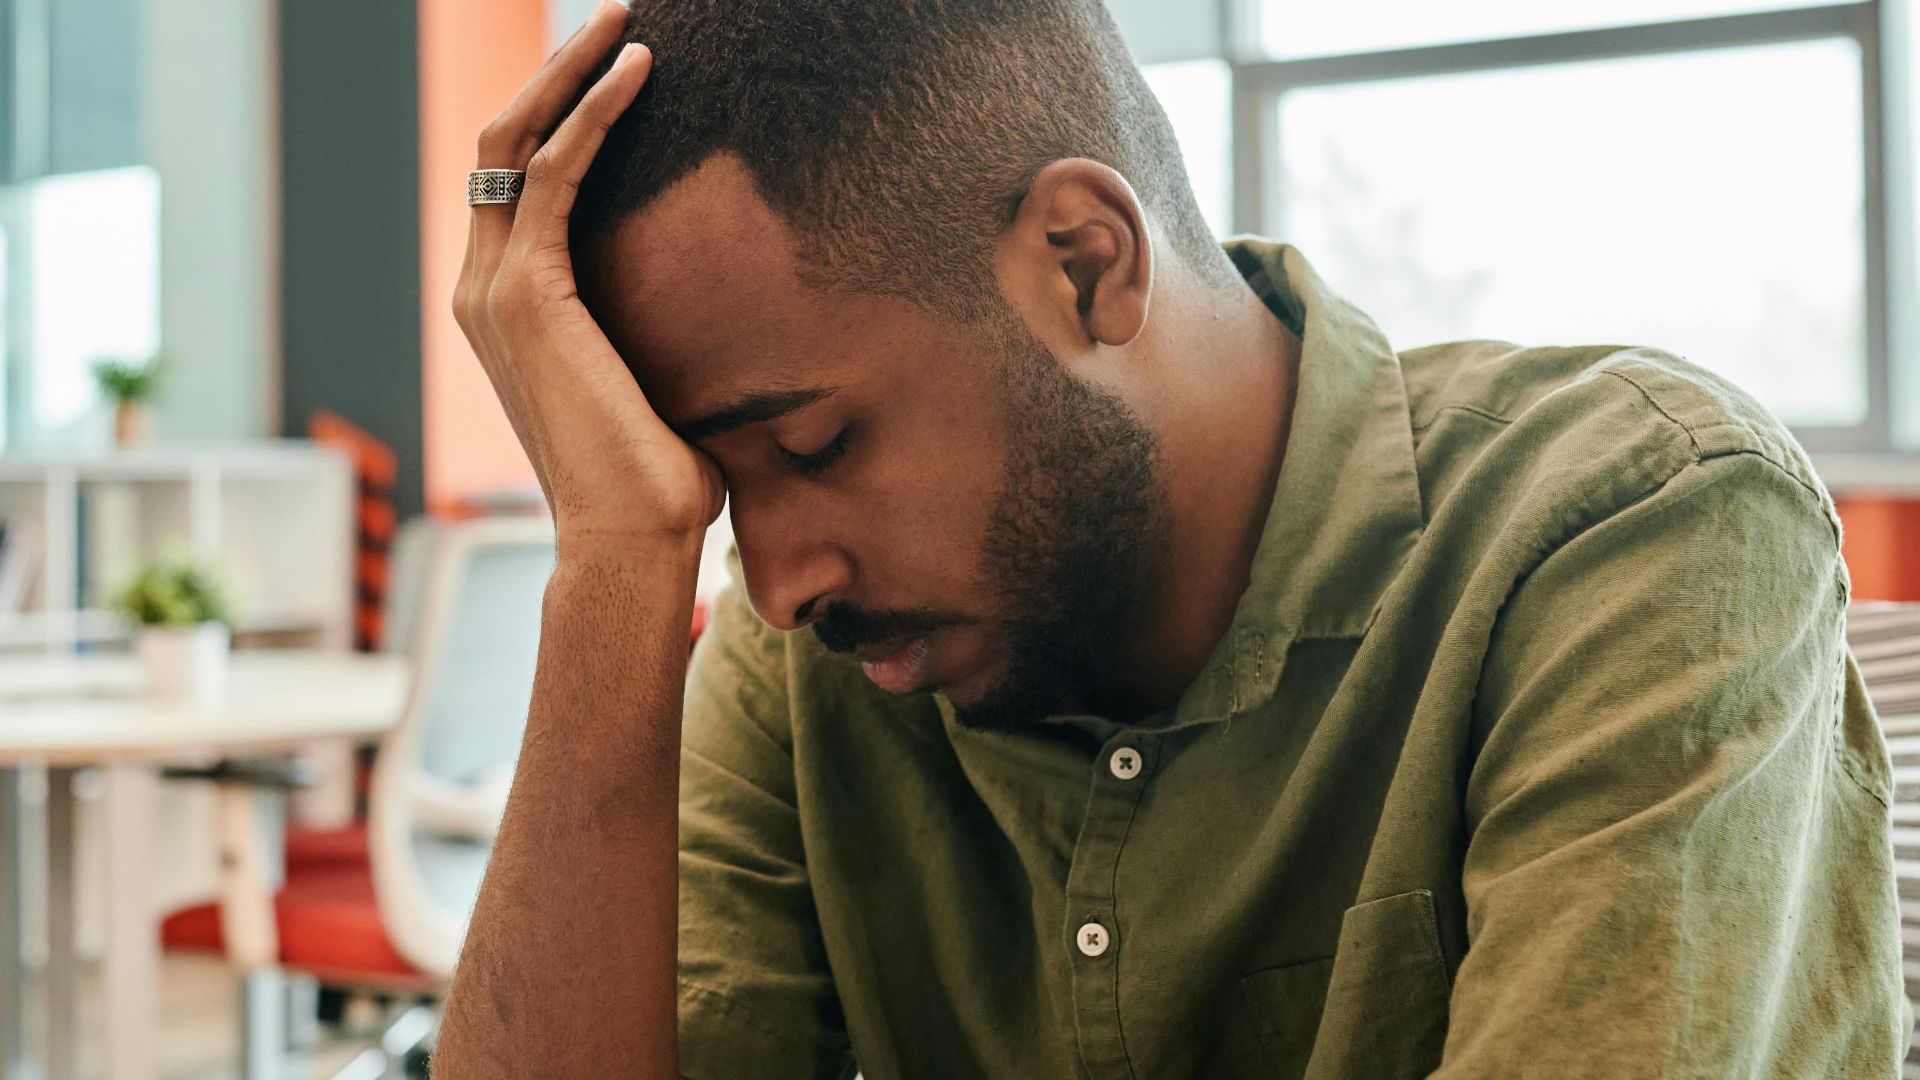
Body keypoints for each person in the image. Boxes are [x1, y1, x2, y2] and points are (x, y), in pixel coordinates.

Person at [434, 1, 1910, 1076]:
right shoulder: (813, 659)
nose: (776, 577)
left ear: (1085, 262)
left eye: (812, 447)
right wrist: (615, 561)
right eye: (711, 493)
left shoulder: (1632, 527)